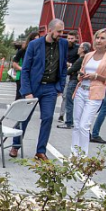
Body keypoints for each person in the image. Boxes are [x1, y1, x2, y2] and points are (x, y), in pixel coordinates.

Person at [18, 18, 68, 160]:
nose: (61, 34)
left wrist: (60, 87)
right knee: (24, 117)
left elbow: (63, 67)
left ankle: (40, 151)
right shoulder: (34, 45)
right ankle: (15, 146)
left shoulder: (62, 44)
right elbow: (26, 69)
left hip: (51, 88)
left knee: (47, 118)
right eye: (59, 31)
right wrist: (27, 91)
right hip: (34, 88)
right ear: (50, 30)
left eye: (62, 32)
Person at [70, 30, 106, 156]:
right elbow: (81, 71)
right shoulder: (88, 55)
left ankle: (82, 156)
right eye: (97, 37)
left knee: (84, 125)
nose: (98, 41)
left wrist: (97, 76)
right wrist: (81, 76)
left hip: (95, 94)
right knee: (76, 124)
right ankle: (73, 153)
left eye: (102, 38)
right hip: (81, 90)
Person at [8, 31, 39, 156]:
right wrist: (22, 69)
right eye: (34, 40)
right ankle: (15, 145)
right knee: (21, 109)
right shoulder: (23, 50)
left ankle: (17, 142)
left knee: (27, 114)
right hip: (22, 80)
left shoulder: (40, 52)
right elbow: (14, 63)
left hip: (36, 83)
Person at [57, 41, 92, 129]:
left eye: (80, 47)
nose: (78, 49)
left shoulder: (81, 59)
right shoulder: (86, 59)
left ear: (83, 49)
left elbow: (71, 70)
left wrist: (67, 69)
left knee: (69, 101)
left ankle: (69, 122)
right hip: (77, 81)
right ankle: (72, 121)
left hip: (73, 81)